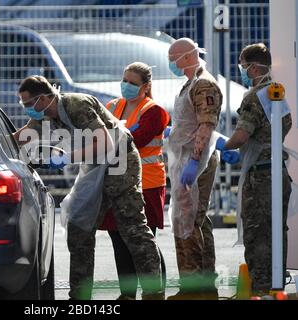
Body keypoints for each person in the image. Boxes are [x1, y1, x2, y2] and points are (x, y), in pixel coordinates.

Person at [13, 75, 163, 300]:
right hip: (94, 164)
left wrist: (66, 158)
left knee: (133, 227)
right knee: (78, 228)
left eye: (28, 104)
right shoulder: (44, 115)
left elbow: (106, 143)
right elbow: (20, 137)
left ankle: (154, 293)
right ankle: (80, 296)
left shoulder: (77, 105)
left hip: (119, 160)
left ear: (43, 99)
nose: (27, 109)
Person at [216, 43, 292, 295]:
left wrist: (222, 145)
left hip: (260, 175)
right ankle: (276, 284)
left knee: (257, 233)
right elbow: (283, 128)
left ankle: (260, 288)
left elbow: (241, 136)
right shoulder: (277, 92)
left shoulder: (253, 97)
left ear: (254, 66)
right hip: (278, 171)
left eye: (243, 64)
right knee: (276, 230)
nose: (242, 70)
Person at [98, 62, 170, 300]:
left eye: (133, 83)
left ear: (146, 86)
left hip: (146, 183)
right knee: (118, 237)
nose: (126, 86)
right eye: (125, 80)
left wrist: (112, 136)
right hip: (116, 183)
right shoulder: (112, 106)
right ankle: (127, 294)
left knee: (143, 240)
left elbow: (134, 140)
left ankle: (154, 291)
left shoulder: (154, 111)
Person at [166, 38, 223, 300]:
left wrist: (194, 160)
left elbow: (206, 125)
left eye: (173, 57)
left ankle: (196, 287)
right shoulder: (191, 84)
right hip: (187, 158)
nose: (171, 63)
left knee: (190, 221)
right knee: (191, 219)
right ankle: (200, 285)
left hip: (195, 161)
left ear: (187, 57)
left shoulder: (203, 84)